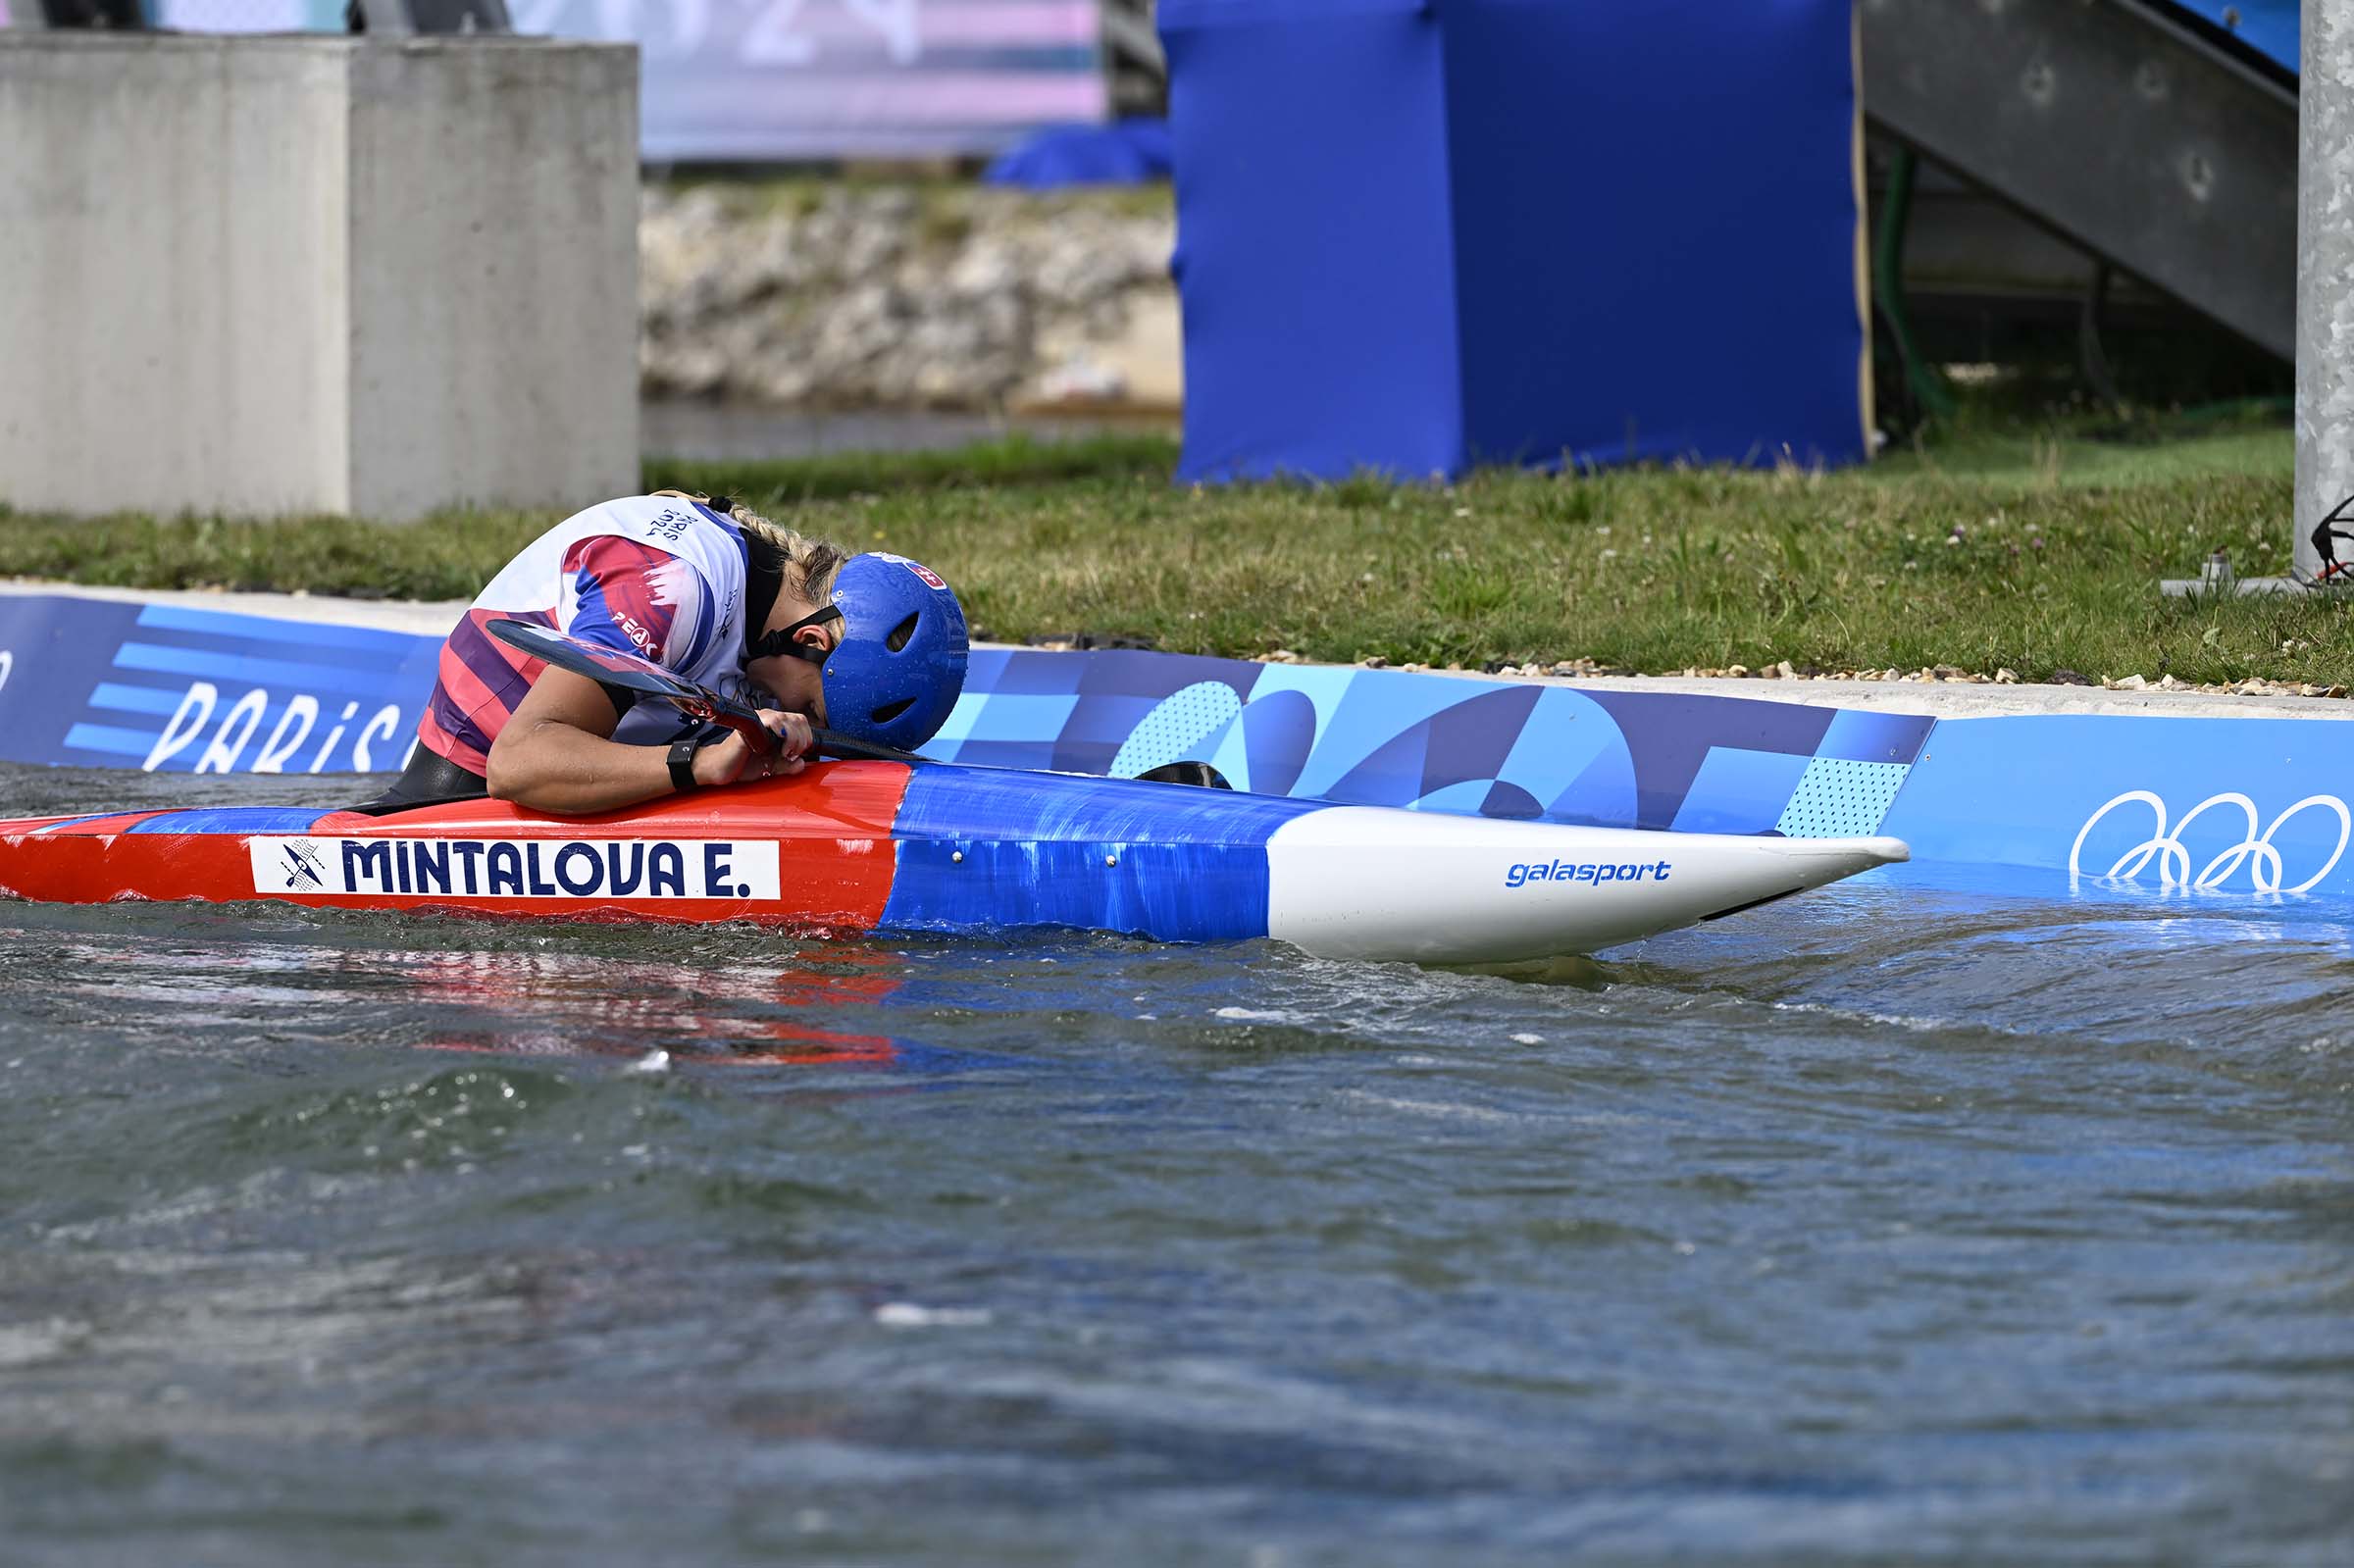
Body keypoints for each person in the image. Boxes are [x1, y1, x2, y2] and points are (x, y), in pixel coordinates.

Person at [368, 490, 967, 815]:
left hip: (597, 750)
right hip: (462, 791)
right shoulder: (674, 591)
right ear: (811, 640)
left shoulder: (768, 607)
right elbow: (517, 764)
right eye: (811, 713)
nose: (803, 728)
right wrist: (697, 766)